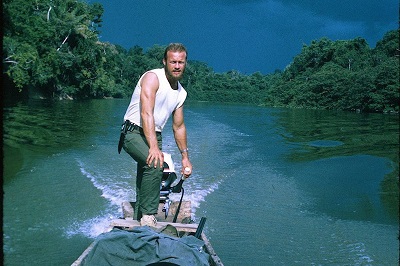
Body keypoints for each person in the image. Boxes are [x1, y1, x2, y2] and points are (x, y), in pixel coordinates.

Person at [119, 43, 192, 227]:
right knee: (155, 164)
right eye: (173, 61)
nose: (177, 66)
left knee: (145, 175)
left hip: (154, 133)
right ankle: (149, 218)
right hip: (133, 132)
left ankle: (138, 221)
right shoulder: (153, 78)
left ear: (185, 63)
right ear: (165, 62)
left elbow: (179, 127)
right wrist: (153, 147)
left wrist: (185, 158)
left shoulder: (181, 93)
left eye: (180, 62)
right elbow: (146, 113)